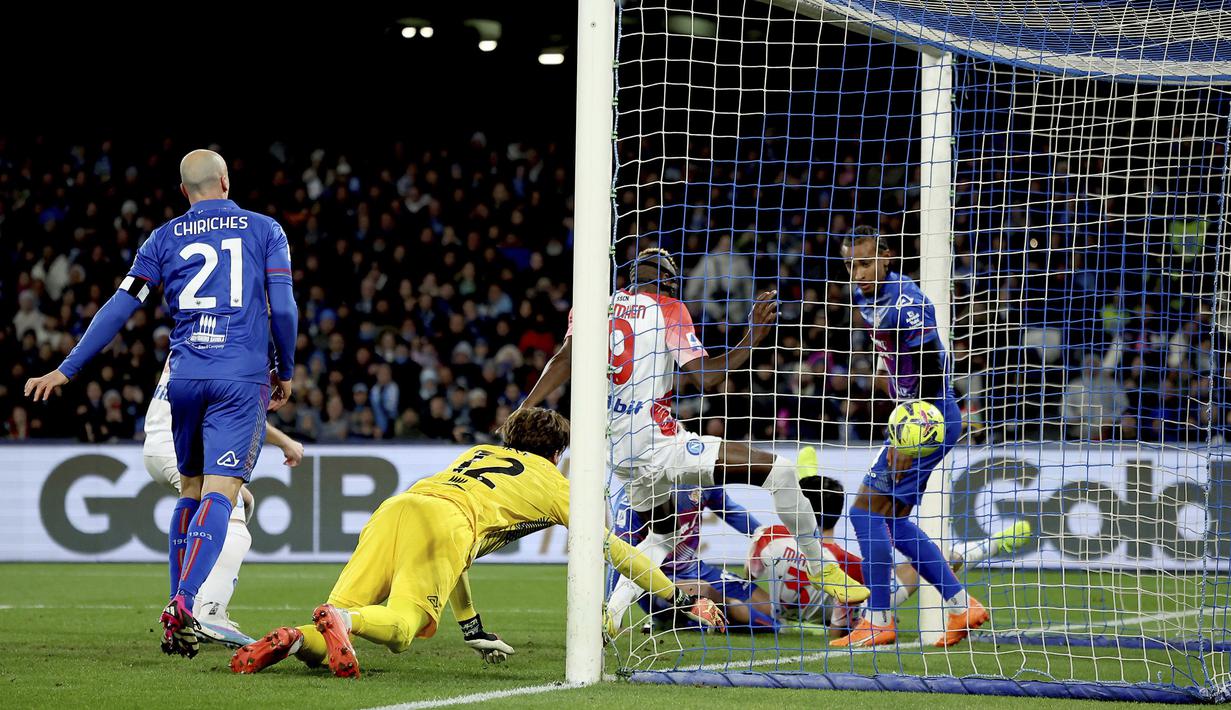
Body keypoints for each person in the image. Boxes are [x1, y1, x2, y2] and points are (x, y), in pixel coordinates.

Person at [25, 149, 297, 658]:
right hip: (239, 377)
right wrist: (286, 369)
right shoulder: (266, 230)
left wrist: (67, 368)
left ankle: (178, 613)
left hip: (185, 378)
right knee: (223, 492)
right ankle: (187, 603)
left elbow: (119, 305)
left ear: (183, 192)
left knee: (189, 490)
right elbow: (282, 304)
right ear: (225, 179)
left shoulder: (163, 237)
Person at [229, 407, 726, 678]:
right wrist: (681, 599)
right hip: (444, 524)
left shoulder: (480, 452)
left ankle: (293, 639)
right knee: (403, 628)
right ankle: (345, 621)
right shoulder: (556, 483)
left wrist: (471, 626)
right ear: (557, 452)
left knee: (336, 617)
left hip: (397, 508)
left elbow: (457, 556)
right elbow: (614, 549)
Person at [518, 247, 867, 605]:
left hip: (619, 455)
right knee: (780, 471)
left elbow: (563, 359)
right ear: (667, 280)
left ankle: (613, 612)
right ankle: (819, 564)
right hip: (659, 445)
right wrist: (753, 335)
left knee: (663, 537)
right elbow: (706, 377)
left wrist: (525, 407)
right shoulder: (669, 308)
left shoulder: (594, 305)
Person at [832, 226, 983, 648]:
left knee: (866, 514)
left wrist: (914, 420)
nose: (856, 273)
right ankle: (960, 605)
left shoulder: (906, 304)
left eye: (864, 263)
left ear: (888, 257)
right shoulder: (865, 298)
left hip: (926, 419)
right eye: (850, 265)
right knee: (893, 523)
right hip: (915, 414)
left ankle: (879, 618)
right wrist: (890, 376)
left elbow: (933, 368)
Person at [143, 360, 306, 647]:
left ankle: (191, 607)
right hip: (175, 442)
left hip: (159, 440)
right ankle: (210, 613)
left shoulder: (193, 332)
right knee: (234, 518)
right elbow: (232, 408)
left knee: (242, 501)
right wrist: (285, 441)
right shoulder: (231, 343)